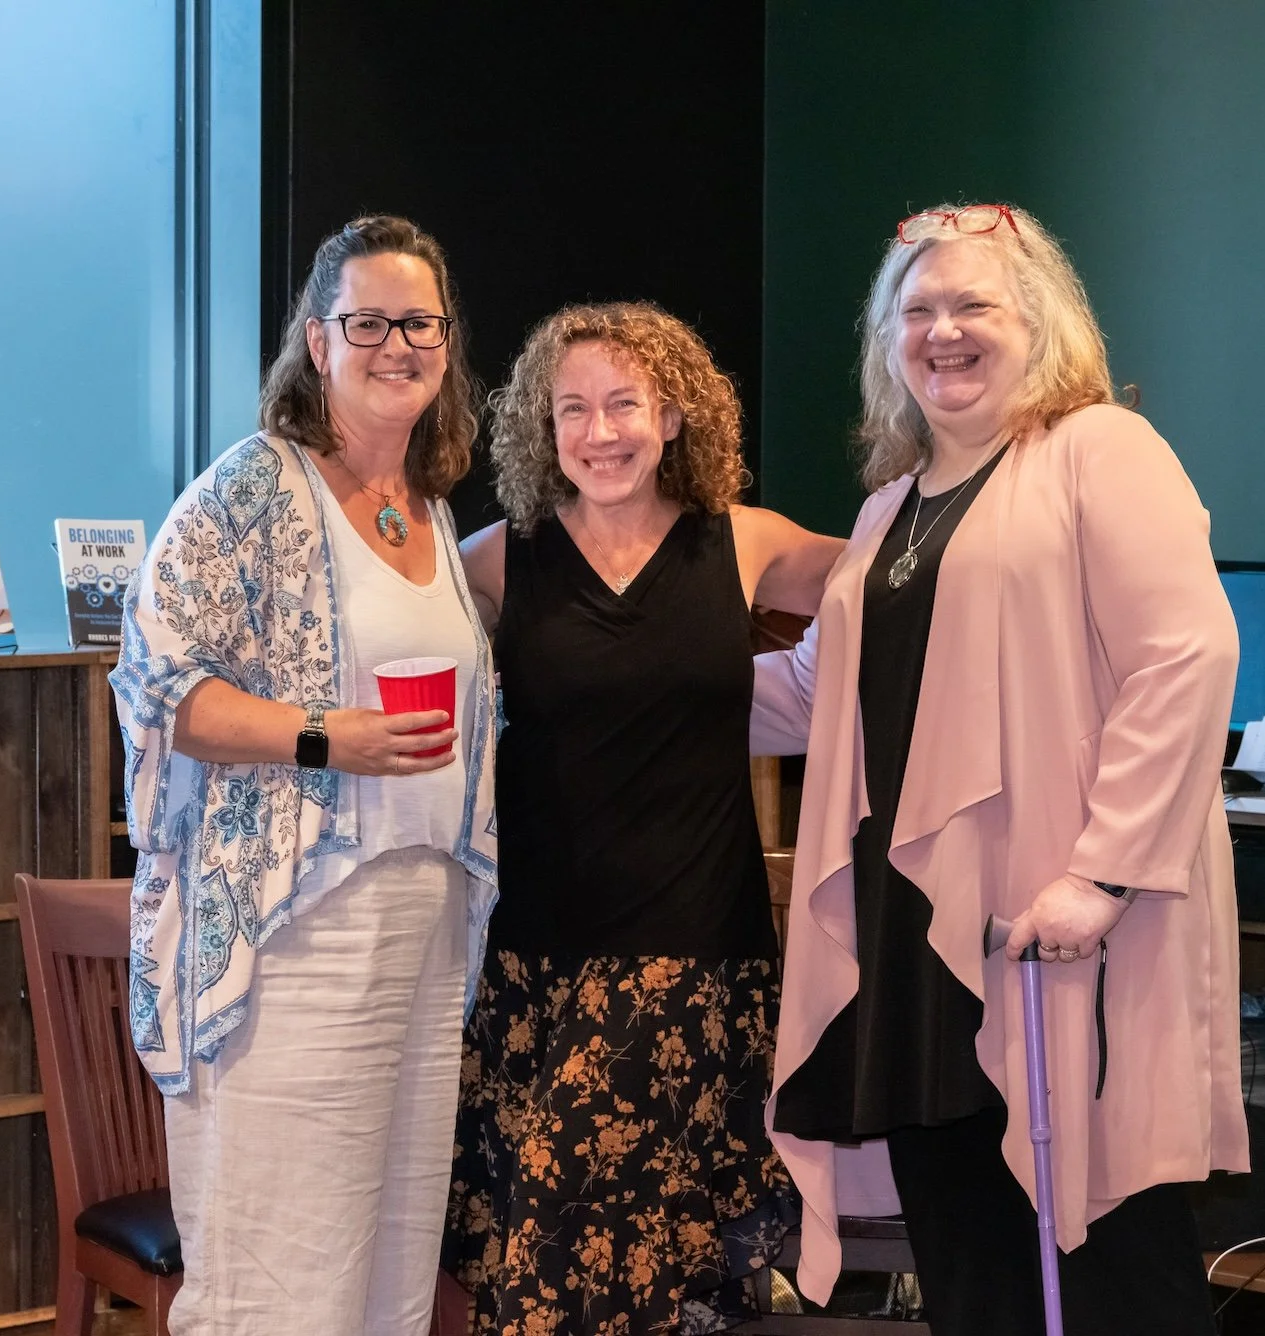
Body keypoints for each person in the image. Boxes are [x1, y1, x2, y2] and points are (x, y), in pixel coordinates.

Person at [750, 203, 1248, 1336]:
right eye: (914, 311)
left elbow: (1187, 653)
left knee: (1111, 1269)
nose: (943, 332)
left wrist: (1102, 875)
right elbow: (811, 699)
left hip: (1052, 928)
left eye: (973, 304)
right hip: (916, 942)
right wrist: (618, 685)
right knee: (972, 1274)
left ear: (1040, 322)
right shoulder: (887, 511)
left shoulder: (1096, 450)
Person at [111, 214, 497, 1336]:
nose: (396, 344)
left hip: (420, 931)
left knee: (384, 1270)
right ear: (316, 343)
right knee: (282, 1279)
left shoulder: (427, 507)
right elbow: (160, 685)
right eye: (365, 320)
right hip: (294, 932)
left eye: (417, 322)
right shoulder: (255, 488)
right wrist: (328, 734)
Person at [442, 301, 843, 1334]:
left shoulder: (743, 544)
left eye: (625, 402)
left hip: (693, 960)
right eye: (571, 407)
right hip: (534, 967)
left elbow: (899, 574)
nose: (600, 430)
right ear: (543, 426)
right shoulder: (494, 561)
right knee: (602, 1272)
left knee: (571, 1269)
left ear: (673, 417)